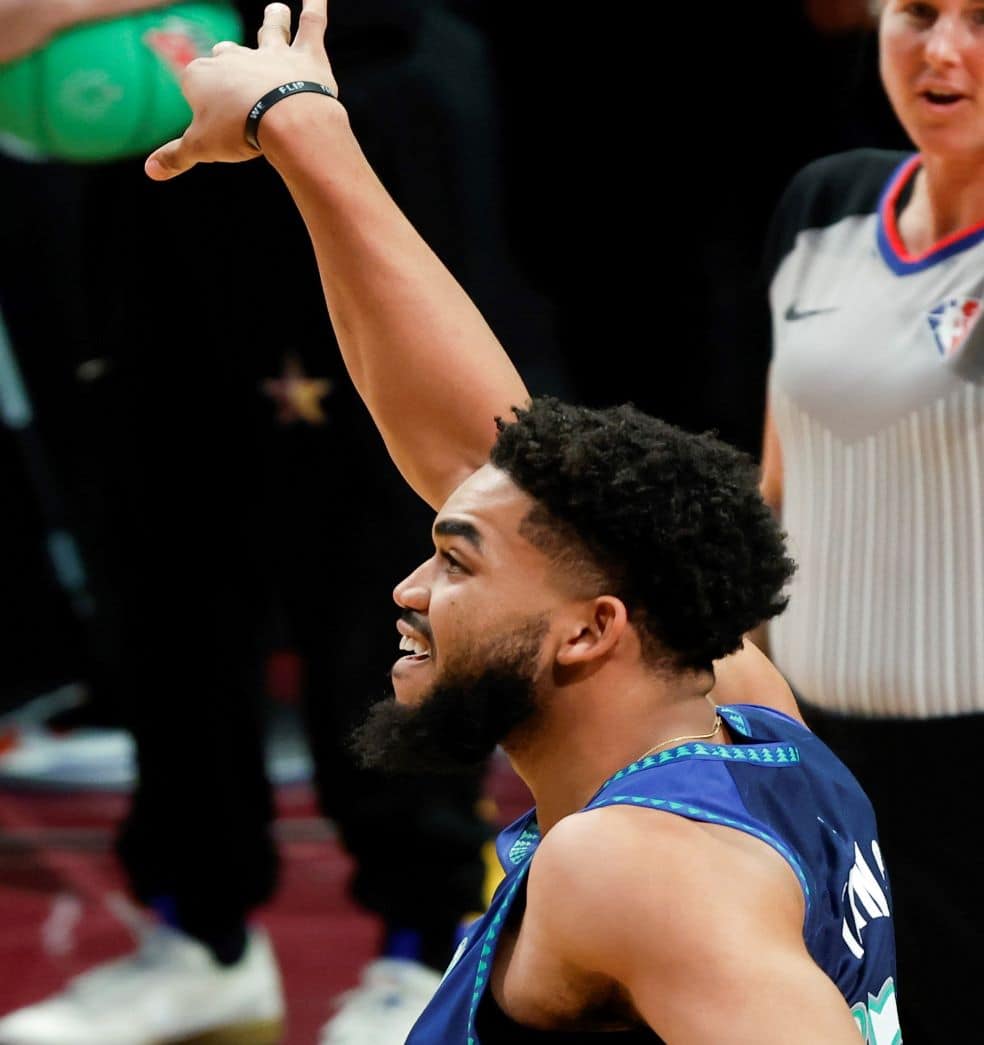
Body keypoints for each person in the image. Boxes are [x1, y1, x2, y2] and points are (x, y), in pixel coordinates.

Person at [133, 2, 902, 1040]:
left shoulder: (635, 861)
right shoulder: (743, 713)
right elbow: (472, 450)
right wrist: (304, 128)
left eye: (454, 565)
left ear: (593, 628)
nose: (407, 592)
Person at [0, 2, 575, 1043]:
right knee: (155, 554)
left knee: (376, 566)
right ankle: (199, 932)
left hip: (347, 95)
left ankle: (425, 938)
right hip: (151, 141)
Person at [755, 2, 984, 1041]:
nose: (941, 51)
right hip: (814, 747)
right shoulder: (824, 203)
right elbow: (778, 482)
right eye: (920, 13)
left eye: (983, 22)